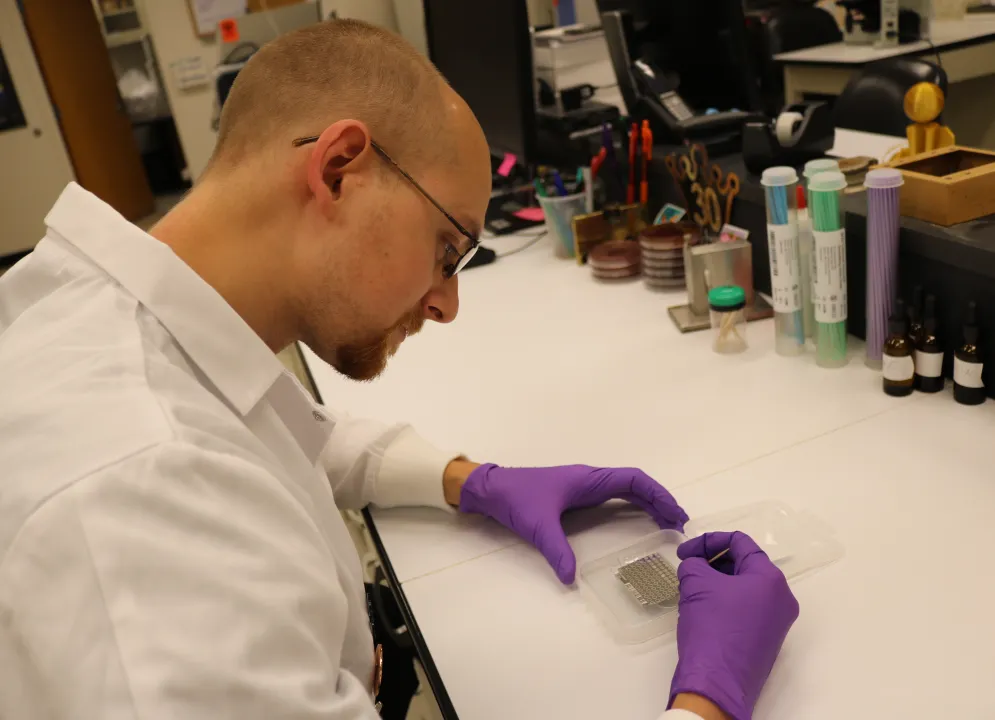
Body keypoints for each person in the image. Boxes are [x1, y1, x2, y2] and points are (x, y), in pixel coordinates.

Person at [0, 19, 797, 720]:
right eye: (448, 249)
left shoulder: (102, 312)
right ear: (341, 167)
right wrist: (707, 705)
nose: (447, 303)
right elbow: (194, 466)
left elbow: (254, 434)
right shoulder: (140, 500)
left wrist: (468, 478)